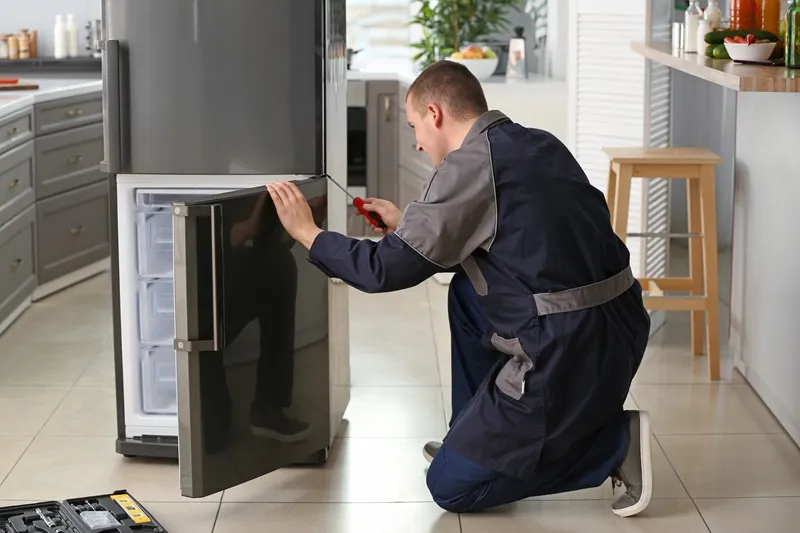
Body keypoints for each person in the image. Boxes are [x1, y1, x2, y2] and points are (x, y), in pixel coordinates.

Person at [266, 60, 653, 516]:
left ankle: (616, 445)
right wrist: (409, 221)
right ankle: (472, 438)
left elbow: (382, 271)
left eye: (414, 126)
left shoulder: (468, 166)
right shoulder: (534, 142)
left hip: (567, 344)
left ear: (435, 114)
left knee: (450, 487)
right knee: (468, 297)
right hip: (621, 320)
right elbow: (506, 230)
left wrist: (308, 233)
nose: (416, 140)